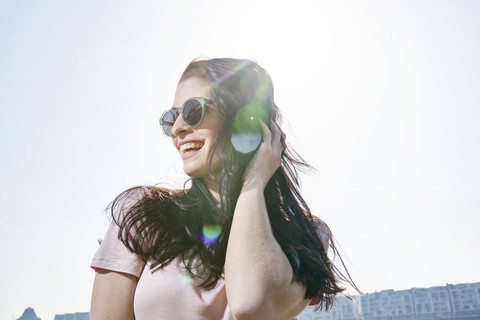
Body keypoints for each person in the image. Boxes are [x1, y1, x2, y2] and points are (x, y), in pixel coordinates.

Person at [90, 58, 356, 320]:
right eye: (172, 117)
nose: (178, 129)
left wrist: (254, 181)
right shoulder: (142, 213)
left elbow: (251, 305)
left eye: (194, 110)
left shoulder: (304, 237)